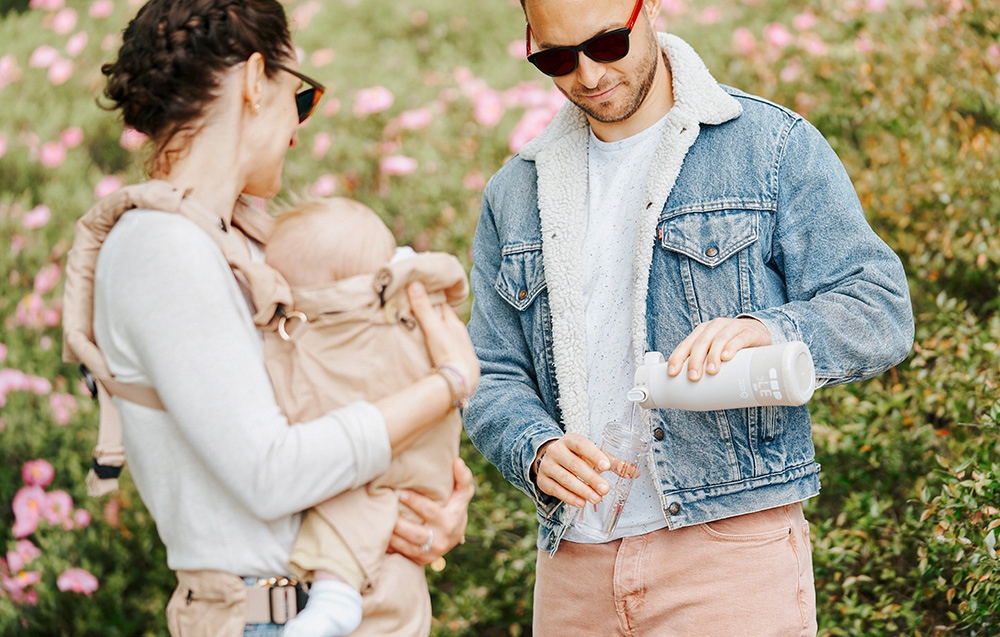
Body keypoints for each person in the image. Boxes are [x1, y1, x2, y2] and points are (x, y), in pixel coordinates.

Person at [463, 0, 914, 635]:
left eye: (607, 45)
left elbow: (879, 307)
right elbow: (489, 372)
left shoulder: (769, 143)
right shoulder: (514, 192)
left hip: (729, 551)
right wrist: (533, 450)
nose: (588, 76)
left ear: (645, 12)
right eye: (557, 59)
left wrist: (769, 331)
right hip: (573, 567)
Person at [75, 1, 479, 635]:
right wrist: (449, 385)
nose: (298, 128)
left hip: (339, 601)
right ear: (255, 80)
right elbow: (271, 474)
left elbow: (344, 408)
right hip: (266, 613)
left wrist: (431, 508)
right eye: (301, 94)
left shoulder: (244, 242)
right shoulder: (159, 247)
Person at [261, 198, 470, 636]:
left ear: (328, 292)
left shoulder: (346, 334)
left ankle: (334, 599)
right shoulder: (415, 312)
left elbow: (294, 421)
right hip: (404, 553)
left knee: (347, 507)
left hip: (377, 507)